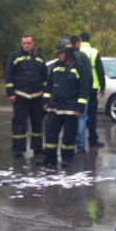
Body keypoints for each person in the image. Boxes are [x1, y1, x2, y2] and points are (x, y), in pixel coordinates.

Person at [39, 39, 89, 167]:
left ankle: (67, 158)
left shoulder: (79, 67)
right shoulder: (56, 65)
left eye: (61, 53)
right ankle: (50, 158)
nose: (59, 55)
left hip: (70, 109)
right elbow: (49, 85)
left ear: (68, 53)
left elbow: (84, 89)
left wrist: (80, 107)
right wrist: (45, 101)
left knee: (69, 136)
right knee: (50, 134)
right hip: (54, 107)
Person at [5, 35, 47, 158]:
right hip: (20, 95)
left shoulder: (40, 57)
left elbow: (45, 76)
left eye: (29, 43)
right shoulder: (15, 57)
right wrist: (10, 93)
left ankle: (37, 147)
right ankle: (18, 148)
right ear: (21, 43)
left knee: (37, 123)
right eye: (24, 43)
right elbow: (9, 75)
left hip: (37, 96)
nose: (26, 45)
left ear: (33, 43)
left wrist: (45, 94)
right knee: (19, 122)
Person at [79, 32, 106, 148]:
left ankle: (78, 140)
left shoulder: (76, 51)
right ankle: (93, 139)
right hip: (92, 87)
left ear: (80, 39)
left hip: (79, 87)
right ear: (89, 40)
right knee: (91, 114)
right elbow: (100, 71)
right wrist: (103, 87)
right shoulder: (94, 52)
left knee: (80, 115)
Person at [70, 35, 92, 154]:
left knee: (71, 118)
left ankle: (69, 143)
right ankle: (80, 145)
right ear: (78, 43)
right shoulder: (83, 56)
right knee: (82, 118)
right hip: (82, 93)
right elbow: (89, 74)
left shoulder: (68, 56)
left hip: (70, 93)